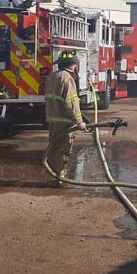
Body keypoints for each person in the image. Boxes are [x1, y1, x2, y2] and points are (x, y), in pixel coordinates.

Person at [43, 50, 86, 186]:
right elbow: (71, 102)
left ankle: (53, 178)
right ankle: (58, 179)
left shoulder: (53, 76)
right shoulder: (67, 78)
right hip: (64, 121)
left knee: (54, 148)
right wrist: (79, 122)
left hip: (53, 119)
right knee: (61, 149)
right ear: (74, 64)